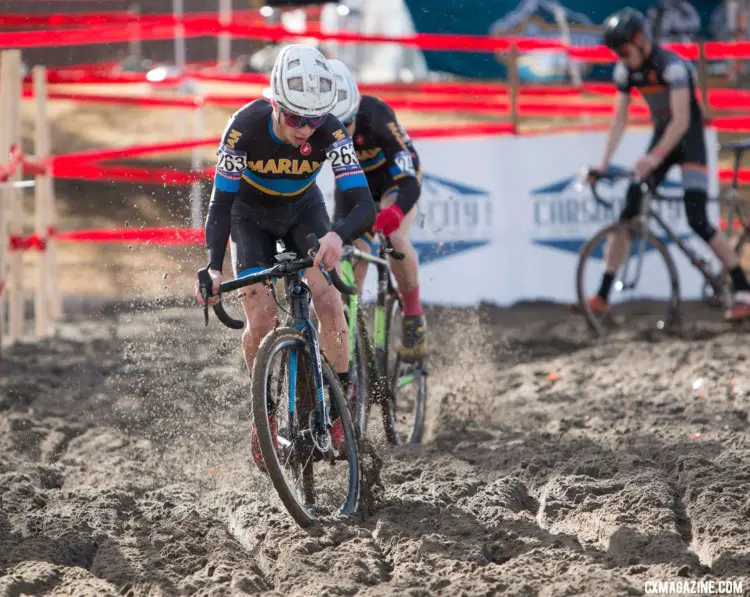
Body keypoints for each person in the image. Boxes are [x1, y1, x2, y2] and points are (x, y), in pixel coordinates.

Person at [195, 44, 376, 470]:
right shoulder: (242, 127)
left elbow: (363, 203)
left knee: (328, 301)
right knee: (261, 319)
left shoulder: (330, 130)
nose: (305, 130)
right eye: (296, 118)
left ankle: (338, 411)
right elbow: (220, 206)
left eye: (313, 119)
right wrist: (213, 266)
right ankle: (265, 415)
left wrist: (338, 234)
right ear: (276, 104)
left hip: (302, 212)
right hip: (249, 218)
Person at [587, 8, 750, 322]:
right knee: (627, 216)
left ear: (641, 41)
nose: (621, 58)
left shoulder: (672, 66)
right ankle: (602, 296)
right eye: (615, 54)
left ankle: (743, 289)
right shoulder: (625, 71)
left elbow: (682, 121)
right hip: (663, 140)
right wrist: (603, 165)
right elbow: (619, 119)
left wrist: (653, 158)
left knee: (697, 220)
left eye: (624, 51)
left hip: (689, 142)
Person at [327, 58, 427, 361]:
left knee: (394, 238)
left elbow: (409, 178)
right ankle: (351, 356)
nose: (341, 134)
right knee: (346, 271)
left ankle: (413, 316)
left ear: (355, 112)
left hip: (393, 184)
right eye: (334, 127)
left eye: (346, 125)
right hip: (354, 192)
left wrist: (396, 212)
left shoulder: (377, 116)